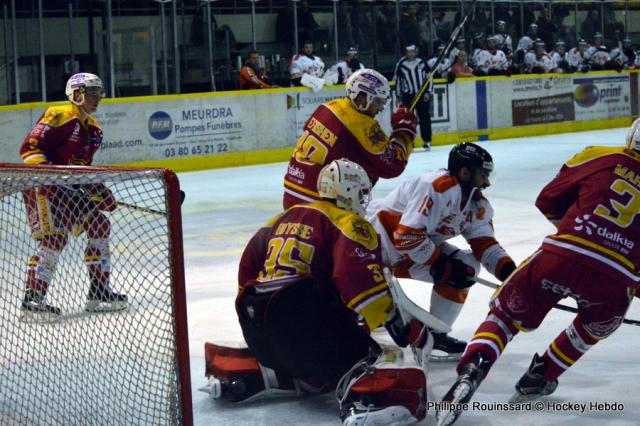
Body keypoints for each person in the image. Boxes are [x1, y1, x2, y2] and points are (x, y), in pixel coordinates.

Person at [436, 120, 640, 426]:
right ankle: (542, 374)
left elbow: (548, 199)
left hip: (561, 256)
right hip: (617, 278)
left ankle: (474, 367)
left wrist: (581, 235)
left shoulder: (599, 155)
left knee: (505, 316)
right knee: (590, 329)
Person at [205, 159, 429, 426]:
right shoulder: (348, 222)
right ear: (346, 191)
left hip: (256, 325)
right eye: (360, 192)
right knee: (368, 355)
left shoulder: (280, 218)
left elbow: (247, 271)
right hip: (301, 322)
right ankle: (362, 402)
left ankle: (267, 374)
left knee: (316, 357)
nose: (362, 199)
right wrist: (393, 321)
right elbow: (355, 278)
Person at [366, 143, 516, 361]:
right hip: (373, 248)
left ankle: (435, 337)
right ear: (465, 172)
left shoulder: (476, 204)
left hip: (408, 255)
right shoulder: (436, 187)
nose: (486, 182)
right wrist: (439, 263)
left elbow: (486, 246)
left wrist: (512, 275)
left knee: (467, 268)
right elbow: (406, 235)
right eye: (482, 175)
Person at [19, 72, 127, 321]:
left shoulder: (95, 130)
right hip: (43, 189)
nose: (97, 98)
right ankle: (33, 298)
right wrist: (48, 176)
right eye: (92, 93)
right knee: (54, 240)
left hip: (69, 191)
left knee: (99, 224)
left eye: (99, 93)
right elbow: (30, 148)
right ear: (76, 94)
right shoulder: (60, 115)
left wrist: (99, 192)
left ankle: (99, 290)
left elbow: (82, 169)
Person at [283, 69, 417, 209]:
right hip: (319, 201)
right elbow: (393, 165)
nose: (381, 107)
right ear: (361, 98)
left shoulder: (328, 106)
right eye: (377, 101)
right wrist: (404, 130)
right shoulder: (361, 125)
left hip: (292, 190)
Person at [394, 45, 432, 150]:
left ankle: (427, 141)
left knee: (425, 118)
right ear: (405, 53)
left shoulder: (422, 63)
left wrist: (428, 92)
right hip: (408, 96)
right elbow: (399, 82)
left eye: (412, 52)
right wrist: (398, 96)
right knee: (408, 120)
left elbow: (429, 78)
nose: (411, 54)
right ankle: (410, 141)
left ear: (416, 52)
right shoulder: (401, 65)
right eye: (408, 52)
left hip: (421, 94)